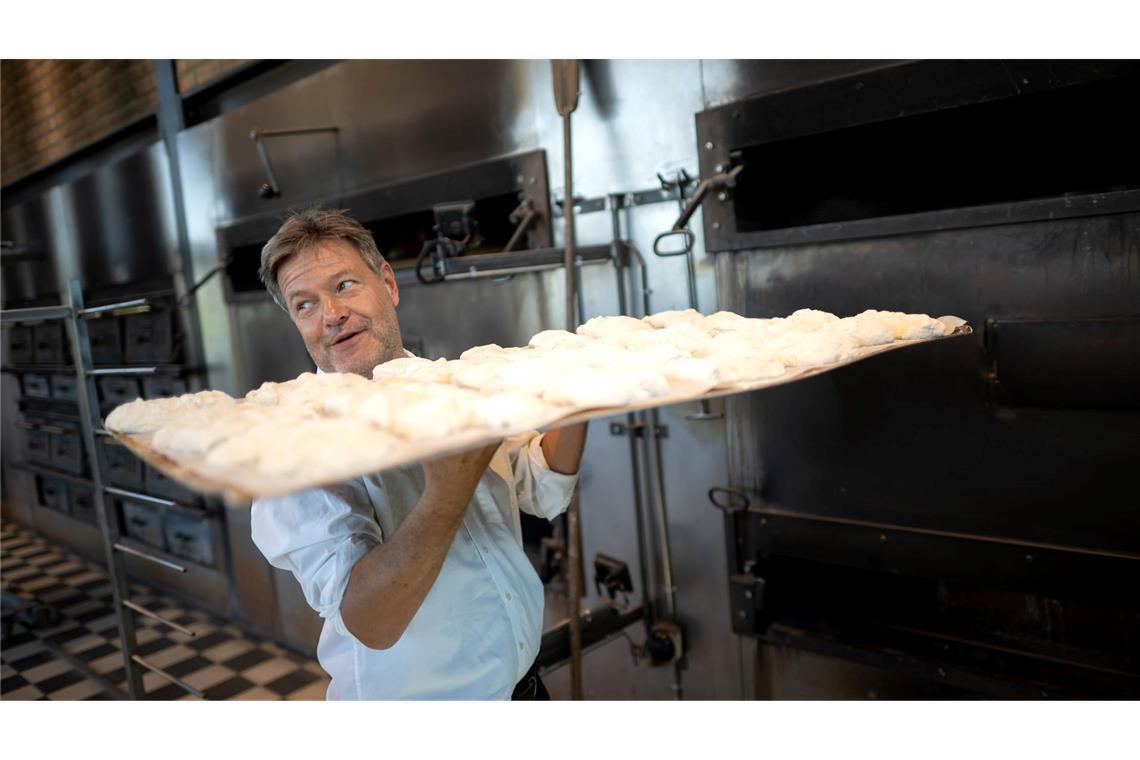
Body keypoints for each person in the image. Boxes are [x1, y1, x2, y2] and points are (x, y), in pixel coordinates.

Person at [249, 207, 587, 699]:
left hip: (523, 690)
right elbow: (373, 623)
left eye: (344, 286)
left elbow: (543, 488)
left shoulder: (454, 386)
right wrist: (447, 490)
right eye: (304, 304)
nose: (330, 315)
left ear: (387, 283)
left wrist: (581, 400)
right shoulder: (295, 452)